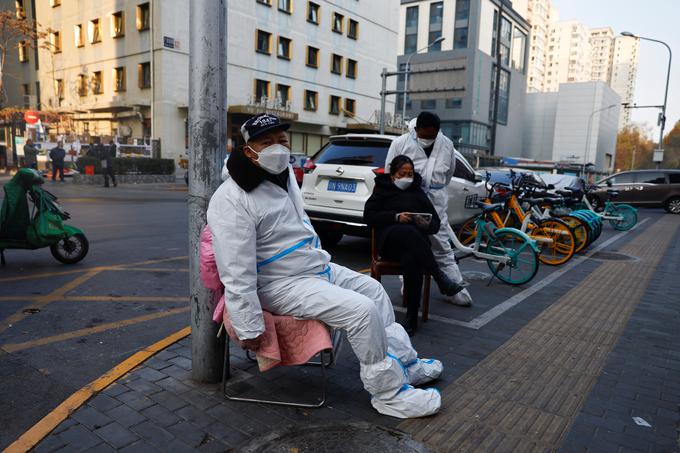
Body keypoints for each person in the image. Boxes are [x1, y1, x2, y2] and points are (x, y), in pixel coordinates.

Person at [208, 113, 442, 418]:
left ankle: (405, 365)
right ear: (248, 149)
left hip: (314, 268)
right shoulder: (231, 198)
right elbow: (235, 270)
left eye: (282, 141)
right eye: (267, 143)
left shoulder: (283, 175)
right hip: (278, 284)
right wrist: (249, 325)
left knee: (374, 291)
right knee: (361, 311)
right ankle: (389, 393)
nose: (277, 148)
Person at [365, 155, 465, 336]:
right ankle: (439, 276)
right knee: (407, 232)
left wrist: (422, 222)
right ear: (393, 175)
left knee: (412, 260)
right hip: (390, 243)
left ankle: (412, 316)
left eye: (410, 174)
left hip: (414, 248)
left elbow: (435, 224)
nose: (407, 177)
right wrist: (396, 217)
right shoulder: (382, 189)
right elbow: (369, 217)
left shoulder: (417, 191)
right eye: (402, 173)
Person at [385, 112, 473, 307]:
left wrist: (435, 189)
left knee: (441, 245)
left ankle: (454, 287)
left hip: (436, 200)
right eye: (424, 135)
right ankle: (408, 284)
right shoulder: (400, 143)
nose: (427, 139)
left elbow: (449, 173)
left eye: (431, 136)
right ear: (417, 130)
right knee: (408, 243)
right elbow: (389, 172)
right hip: (408, 198)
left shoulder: (447, 144)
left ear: (437, 131)